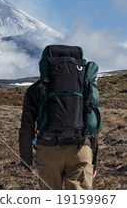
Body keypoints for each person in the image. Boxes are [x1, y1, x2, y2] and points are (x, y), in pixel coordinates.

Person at [19, 45, 99, 190]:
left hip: (48, 151)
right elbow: (93, 122)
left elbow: (27, 127)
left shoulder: (36, 89)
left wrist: (26, 160)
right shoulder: (85, 86)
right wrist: (94, 161)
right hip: (81, 149)